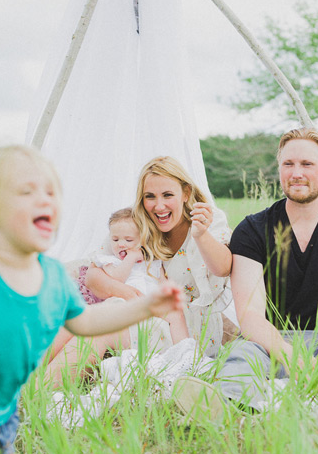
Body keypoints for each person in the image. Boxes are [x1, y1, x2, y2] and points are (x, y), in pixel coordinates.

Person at [0, 145, 183, 454]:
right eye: (26, 192)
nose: (44, 200)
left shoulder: (49, 276)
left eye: (50, 191)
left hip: (2, 419)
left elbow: (88, 321)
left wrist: (145, 306)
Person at [174, 128, 318, 414]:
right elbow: (249, 315)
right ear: (279, 168)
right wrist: (288, 354)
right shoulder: (253, 229)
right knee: (241, 355)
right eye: (288, 164)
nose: (296, 173)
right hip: (272, 341)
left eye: (307, 164)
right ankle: (231, 415)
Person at [46, 156, 234, 385]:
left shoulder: (207, 220)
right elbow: (94, 275)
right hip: (143, 310)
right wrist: (126, 294)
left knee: (103, 328)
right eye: (150, 197)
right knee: (83, 319)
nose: (159, 206)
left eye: (167, 195)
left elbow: (223, 268)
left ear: (185, 193)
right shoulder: (138, 223)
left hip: (187, 330)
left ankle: (34, 394)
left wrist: (201, 235)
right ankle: (15, 380)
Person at [92, 207, 190, 346]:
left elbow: (163, 283)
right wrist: (130, 258)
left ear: (143, 240)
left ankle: (185, 350)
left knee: (176, 314)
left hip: (150, 304)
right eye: (115, 239)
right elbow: (117, 280)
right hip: (125, 303)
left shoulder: (153, 262)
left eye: (128, 240)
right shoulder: (111, 261)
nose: (120, 244)